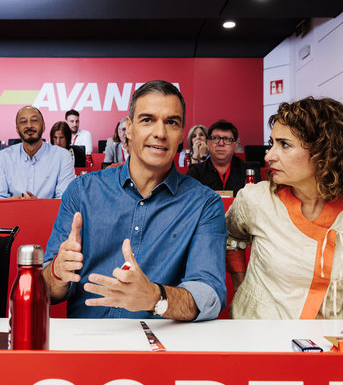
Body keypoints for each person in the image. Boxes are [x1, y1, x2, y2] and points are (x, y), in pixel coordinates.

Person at [43, 80, 227, 321]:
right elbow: (46, 290)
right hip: (87, 343)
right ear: (128, 128)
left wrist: (155, 297)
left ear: (182, 133)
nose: (160, 133)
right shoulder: (82, 191)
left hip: (163, 346)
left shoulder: (204, 204)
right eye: (147, 120)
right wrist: (57, 272)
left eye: (171, 122)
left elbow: (209, 293)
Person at [226, 97, 343, 319]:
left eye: (284, 145)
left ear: (324, 152)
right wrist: (242, 288)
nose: (268, 156)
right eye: (272, 143)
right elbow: (231, 238)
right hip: (264, 336)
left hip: (340, 340)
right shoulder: (255, 199)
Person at [0, 106, 74, 199]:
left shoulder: (62, 156)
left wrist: (37, 206)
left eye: (34, 120)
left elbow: (65, 200)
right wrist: (12, 203)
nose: (29, 125)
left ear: (43, 127)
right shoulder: (3, 158)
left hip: (50, 214)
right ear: (17, 129)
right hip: (13, 213)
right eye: (23, 122)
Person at [186, 120, 258, 196]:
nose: (221, 144)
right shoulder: (195, 173)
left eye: (227, 139)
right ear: (208, 144)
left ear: (235, 146)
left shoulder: (250, 172)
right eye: (215, 138)